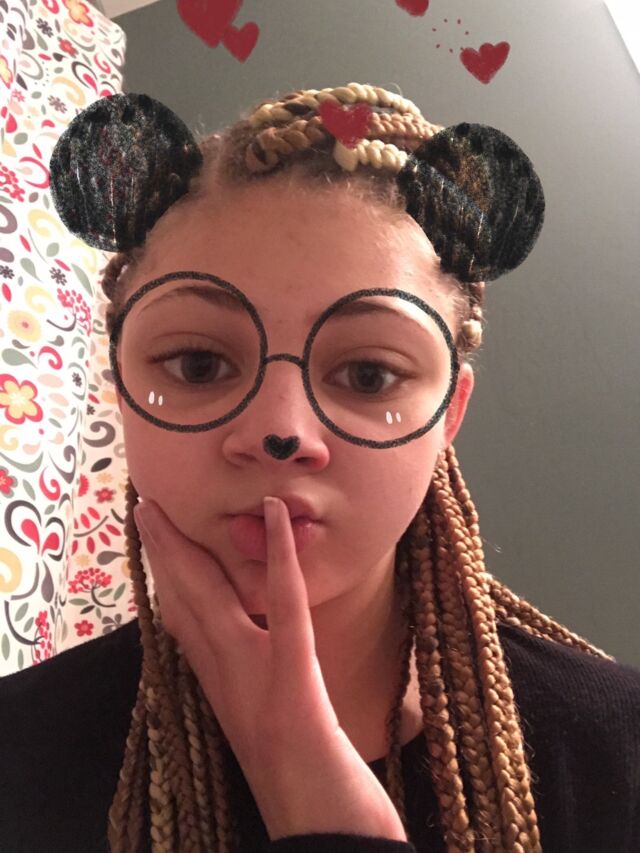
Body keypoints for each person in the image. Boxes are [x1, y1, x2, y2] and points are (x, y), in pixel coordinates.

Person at [1, 82, 639, 853]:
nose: (279, 432)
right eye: (199, 363)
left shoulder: (621, 752)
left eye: (368, 374)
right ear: (122, 390)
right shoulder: (18, 747)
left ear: (449, 416)